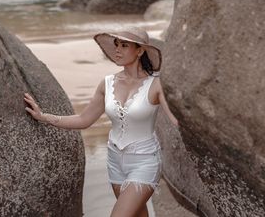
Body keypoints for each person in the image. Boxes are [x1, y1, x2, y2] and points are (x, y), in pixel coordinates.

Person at [24, 28, 178, 217]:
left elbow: (176, 120)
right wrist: (43, 116)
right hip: (115, 162)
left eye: (124, 45)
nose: (117, 50)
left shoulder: (156, 84)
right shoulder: (106, 84)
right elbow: (84, 119)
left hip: (144, 162)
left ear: (140, 51)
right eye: (116, 45)